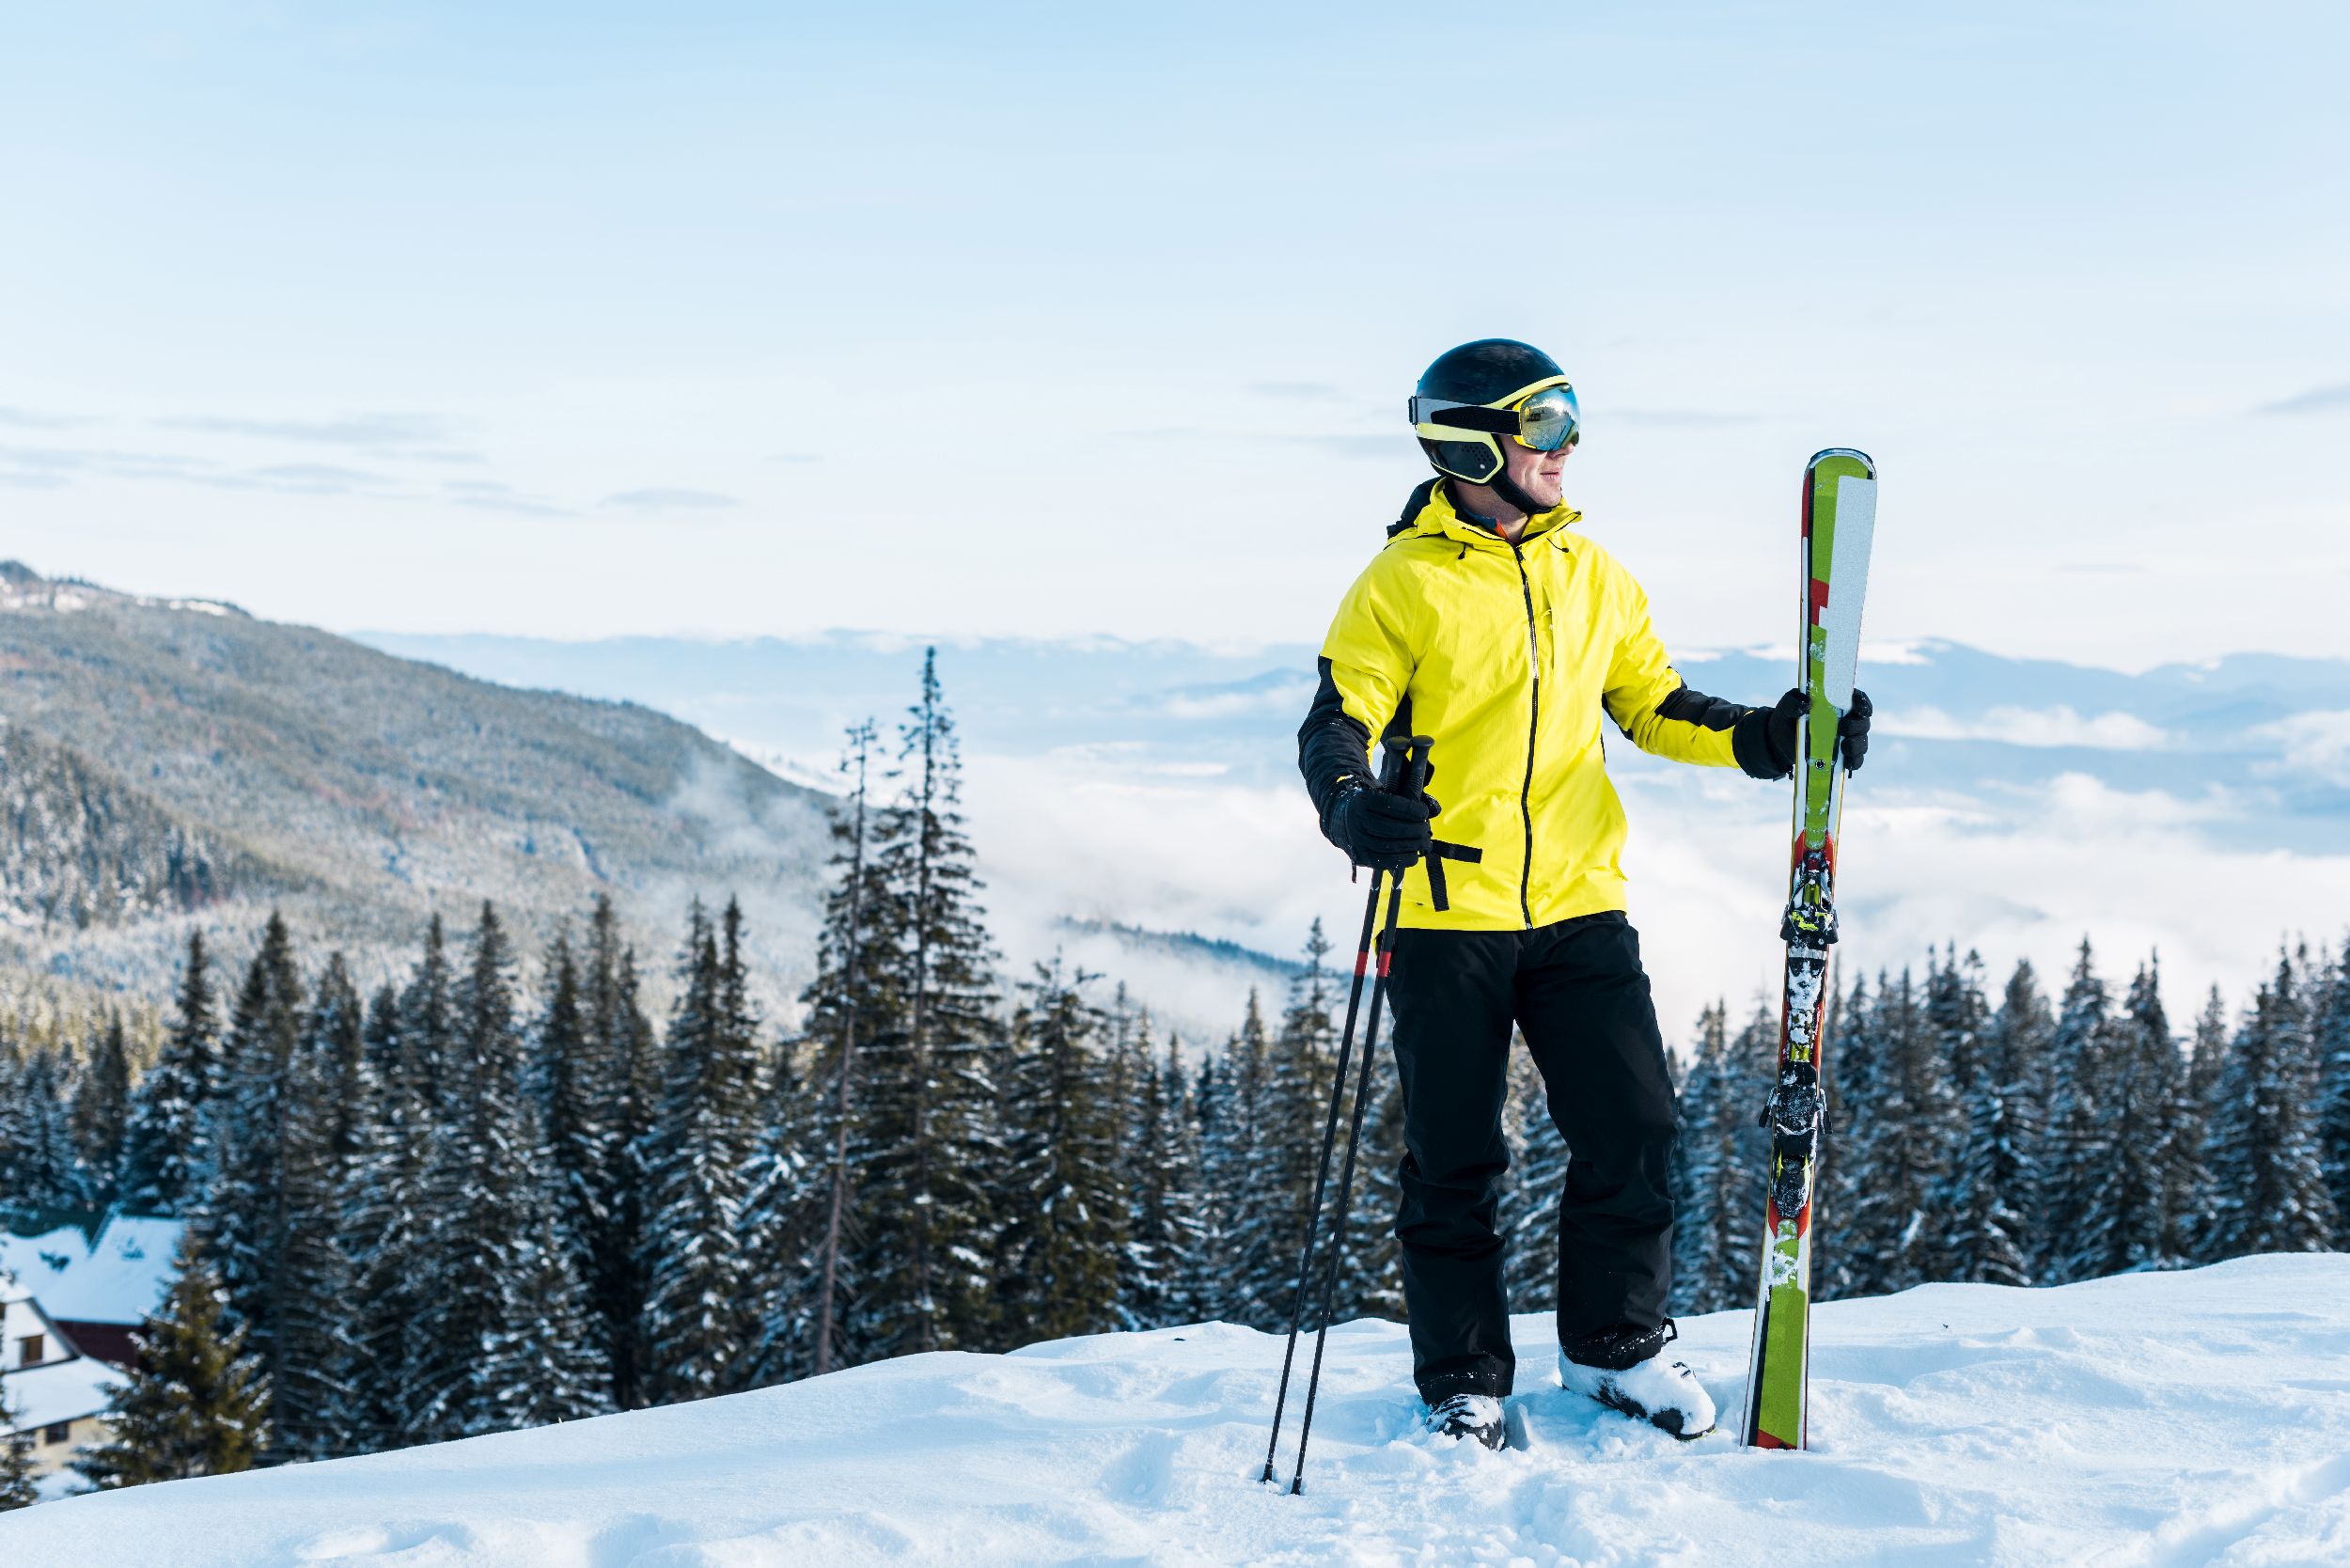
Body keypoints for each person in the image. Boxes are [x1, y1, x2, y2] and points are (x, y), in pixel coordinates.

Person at [1295, 338, 1871, 1448]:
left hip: (1575, 904)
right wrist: (1352, 806)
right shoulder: (1401, 586)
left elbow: (1652, 704)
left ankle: (1613, 1349)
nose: (1566, 446)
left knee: (1636, 1129)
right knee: (1456, 1161)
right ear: (1474, 442)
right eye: (1544, 423)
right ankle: (1462, 1377)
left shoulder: (1591, 572)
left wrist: (1771, 739)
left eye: (1566, 420)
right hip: (1444, 917)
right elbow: (1338, 723)